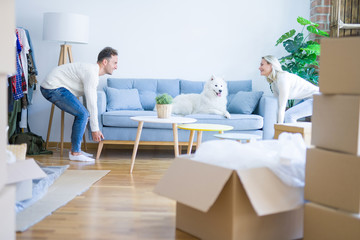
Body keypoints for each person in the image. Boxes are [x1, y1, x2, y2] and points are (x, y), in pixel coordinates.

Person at [40, 47, 118, 161]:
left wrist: (92, 122)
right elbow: (92, 103)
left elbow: (88, 100)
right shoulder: (91, 73)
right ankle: (75, 153)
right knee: (83, 114)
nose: (116, 66)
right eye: (115, 63)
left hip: (55, 87)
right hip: (52, 87)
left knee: (84, 113)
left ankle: (76, 150)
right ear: (105, 62)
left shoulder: (92, 73)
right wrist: (95, 129)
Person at [259, 55, 319, 124]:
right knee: (286, 116)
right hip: (307, 99)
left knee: (289, 115)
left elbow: (282, 107)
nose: (259, 68)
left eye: (262, 65)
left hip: (318, 98)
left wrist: (278, 128)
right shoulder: (274, 83)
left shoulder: (282, 78)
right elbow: (277, 105)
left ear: (271, 65)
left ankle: (292, 135)